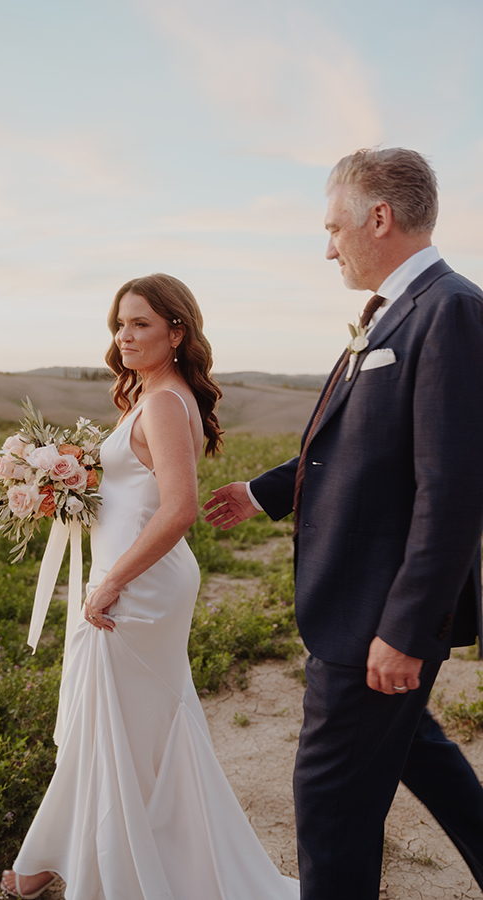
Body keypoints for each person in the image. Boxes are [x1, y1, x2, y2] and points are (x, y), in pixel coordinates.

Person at [204, 148, 483, 900]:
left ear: (379, 218)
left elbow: (451, 489)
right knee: (418, 750)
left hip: (374, 616)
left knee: (328, 808)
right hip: (364, 608)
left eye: (334, 228)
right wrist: (264, 493)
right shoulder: (394, 310)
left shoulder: (450, 308)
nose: (328, 247)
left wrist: (406, 629)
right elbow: (359, 448)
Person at [0, 274, 300, 900]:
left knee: (116, 726)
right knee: (112, 727)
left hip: (139, 585)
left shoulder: (164, 402)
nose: (125, 335)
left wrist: (110, 582)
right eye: (119, 323)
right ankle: (52, 860)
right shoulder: (152, 395)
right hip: (135, 574)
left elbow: (178, 508)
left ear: (176, 330)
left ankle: (62, 865)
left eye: (140, 323)